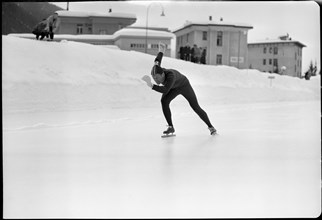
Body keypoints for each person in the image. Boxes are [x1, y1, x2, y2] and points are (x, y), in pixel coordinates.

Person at [142, 43, 217, 136]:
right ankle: (170, 127)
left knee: (195, 107)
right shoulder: (156, 68)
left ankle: (211, 127)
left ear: (162, 74)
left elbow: (165, 89)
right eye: (154, 78)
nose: (156, 80)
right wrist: (161, 51)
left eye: (157, 78)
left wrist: (152, 85)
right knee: (164, 101)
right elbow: (157, 60)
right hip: (173, 87)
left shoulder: (171, 76)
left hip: (184, 85)